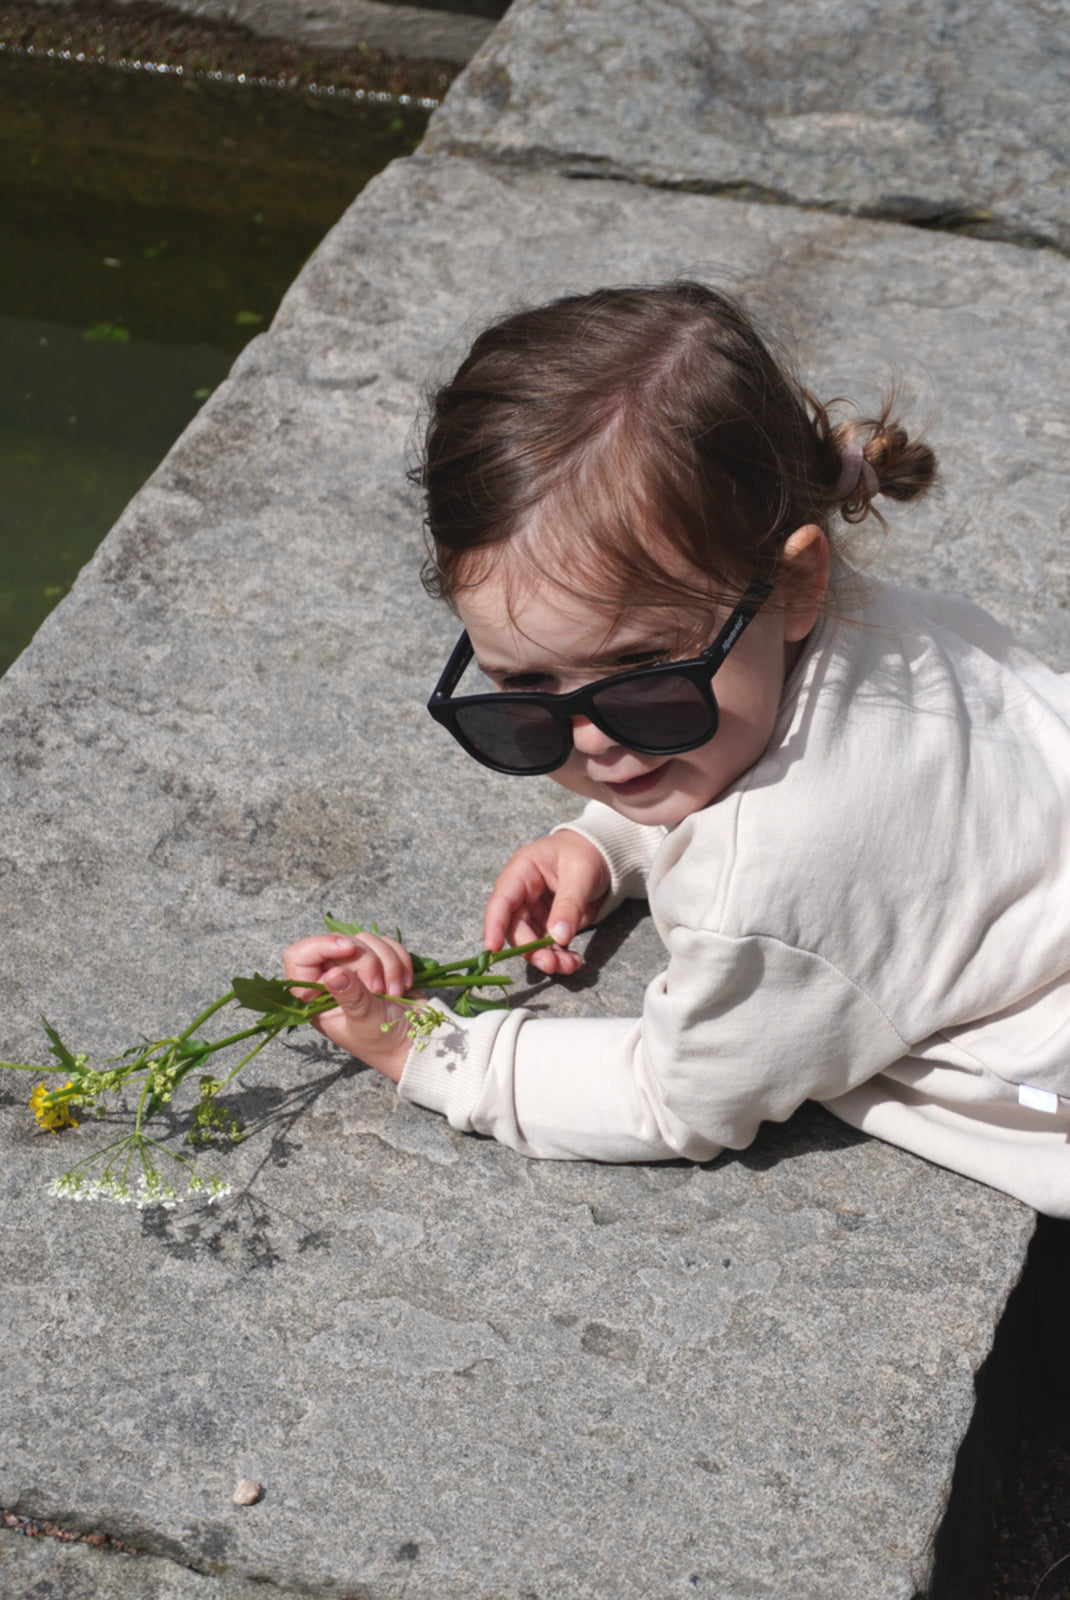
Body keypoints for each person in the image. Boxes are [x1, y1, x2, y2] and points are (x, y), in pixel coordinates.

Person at [284, 281, 1070, 1217]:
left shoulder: (770, 881)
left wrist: (422, 1045)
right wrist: (612, 840)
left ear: (797, 582)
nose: (591, 737)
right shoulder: (873, 632)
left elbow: (674, 1096)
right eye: (524, 690)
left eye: (646, 675)